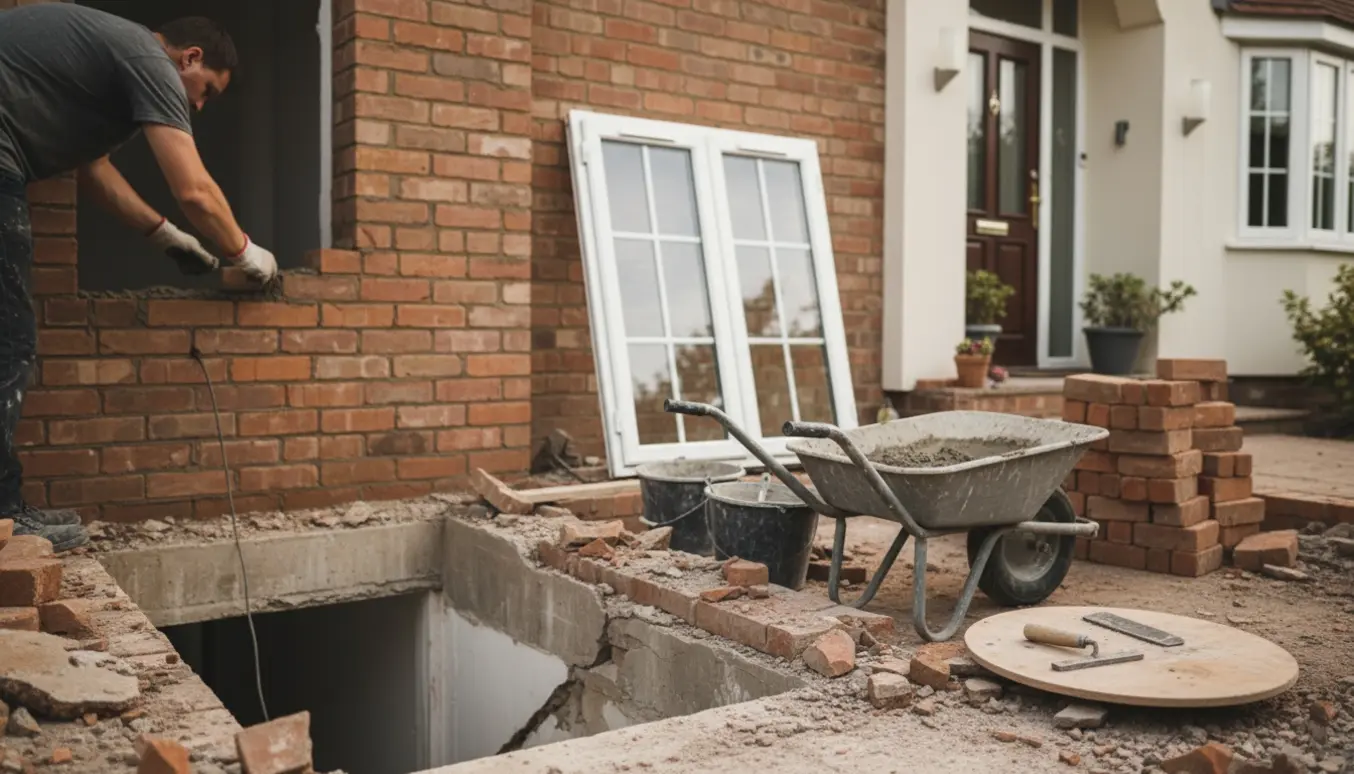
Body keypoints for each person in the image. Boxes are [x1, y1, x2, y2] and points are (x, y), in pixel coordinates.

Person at [0, 4, 279, 551]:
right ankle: (3, 516)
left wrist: (165, 237)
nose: (196, 106)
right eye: (205, 91)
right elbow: (195, 189)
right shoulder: (146, 56)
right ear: (189, 56)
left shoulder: (109, 66)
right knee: (10, 340)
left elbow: (93, 171)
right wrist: (246, 254)